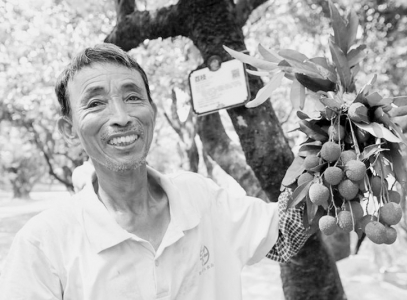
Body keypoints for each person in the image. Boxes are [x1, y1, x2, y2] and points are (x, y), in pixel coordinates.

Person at [0, 43, 309, 300]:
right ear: (69, 129)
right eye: (95, 103)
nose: (121, 117)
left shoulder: (199, 197)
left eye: (133, 97)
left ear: (153, 112)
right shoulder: (43, 243)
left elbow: (283, 234)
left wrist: (331, 152)